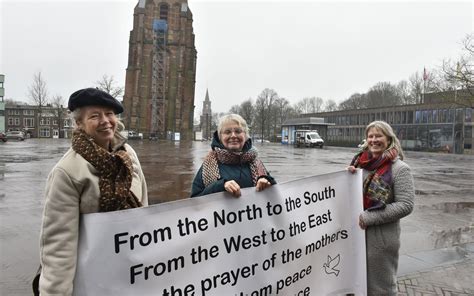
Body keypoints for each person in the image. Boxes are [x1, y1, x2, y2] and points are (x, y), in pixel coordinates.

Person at [37, 88, 148, 295]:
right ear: (79, 123)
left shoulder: (128, 154)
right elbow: (59, 245)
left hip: (129, 268)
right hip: (91, 278)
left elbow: (143, 208)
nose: (105, 121)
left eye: (109, 114)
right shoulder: (67, 171)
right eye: (95, 116)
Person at [348, 121, 414, 295]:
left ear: (389, 139)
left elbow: (406, 205)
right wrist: (346, 178)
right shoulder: (360, 164)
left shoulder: (400, 169)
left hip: (380, 241)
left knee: (380, 289)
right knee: (354, 285)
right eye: (370, 136)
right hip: (356, 236)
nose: (374, 140)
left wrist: (369, 217)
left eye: (379, 136)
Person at [191, 114, 276, 197]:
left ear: (245, 135)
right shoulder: (208, 165)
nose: (233, 135)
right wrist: (220, 186)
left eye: (238, 131)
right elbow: (195, 202)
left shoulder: (256, 162)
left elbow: (276, 194)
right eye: (227, 132)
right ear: (220, 137)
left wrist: (268, 182)